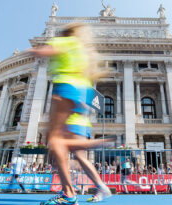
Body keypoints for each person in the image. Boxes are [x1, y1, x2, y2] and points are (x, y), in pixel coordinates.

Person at [29, 23, 113, 205]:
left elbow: (44, 52)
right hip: (81, 98)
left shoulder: (66, 42)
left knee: (56, 143)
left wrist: (32, 51)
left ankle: (68, 194)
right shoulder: (84, 51)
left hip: (65, 89)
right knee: (75, 153)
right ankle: (88, 185)